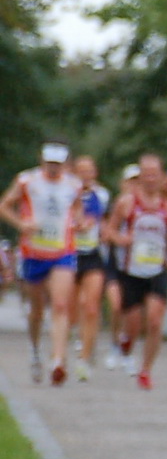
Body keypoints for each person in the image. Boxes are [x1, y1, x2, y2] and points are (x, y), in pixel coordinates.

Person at [0, 141, 89, 385]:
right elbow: (4, 206)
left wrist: (80, 222)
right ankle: (36, 349)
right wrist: (21, 224)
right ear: (42, 162)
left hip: (63, 251)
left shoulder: (73, 185)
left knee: (60, 304)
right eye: (50, 163)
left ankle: (58, 360)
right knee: (36, 310)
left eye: (58, 164)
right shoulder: (27, 181)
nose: (53, 168)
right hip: (33, 252)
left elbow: (77, 210)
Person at [105, 153, 167, 391]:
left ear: (162, 177)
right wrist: (122, 239)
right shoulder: (126, 203)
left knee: (154, 321)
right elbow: (108, 231)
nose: (150, 179)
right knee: (133, 323)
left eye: (155, 174)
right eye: (146, 174)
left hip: (157, 271)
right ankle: (126, 341)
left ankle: (146, 370)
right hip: (131, 271)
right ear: (140, 177)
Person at [69, 154, 111, 382]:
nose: (85, 175)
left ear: (95, 173)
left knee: (91, 306)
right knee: (71, 307)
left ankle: (85, 357)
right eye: (80, 171)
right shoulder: (66, 192)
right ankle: (80, 336)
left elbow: (104, 220)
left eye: (89, 171)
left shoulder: (102, 195)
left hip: (93, 255)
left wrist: (102, 230)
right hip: (69, 254)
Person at [105, 164, 142, 372]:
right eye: (131, 181)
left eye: (138, 181)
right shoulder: (116, 206)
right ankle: (113, 344)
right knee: (117, 305)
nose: (134, 185)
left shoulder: (149, 206)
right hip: (115, 264)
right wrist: (119, 239)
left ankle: (127, 349)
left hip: (139, 266)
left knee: (134, 313)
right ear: (123, 184)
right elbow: (106, 231)